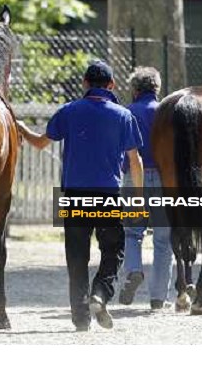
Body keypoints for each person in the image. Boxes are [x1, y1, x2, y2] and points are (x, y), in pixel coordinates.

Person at [17, 61, 143, 331]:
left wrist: (21, 128)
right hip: (109, 194)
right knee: (114, 251)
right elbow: (135, 160)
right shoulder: (123, 116)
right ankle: (100, 292)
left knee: (76, 257)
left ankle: (81, 319)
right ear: (112, 86)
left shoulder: (68, 111)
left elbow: (40, 143)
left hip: (74, 194)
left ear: (85, 84)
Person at [118, 67, 173, 310]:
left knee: (132, 233)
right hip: (163, 180)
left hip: (134, 177)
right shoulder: (168, 113)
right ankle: (158, 298)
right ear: (157, 88)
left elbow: (123, 151)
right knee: (163, 240)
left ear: (135, 89)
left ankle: (134, 270)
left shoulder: (127, 112)